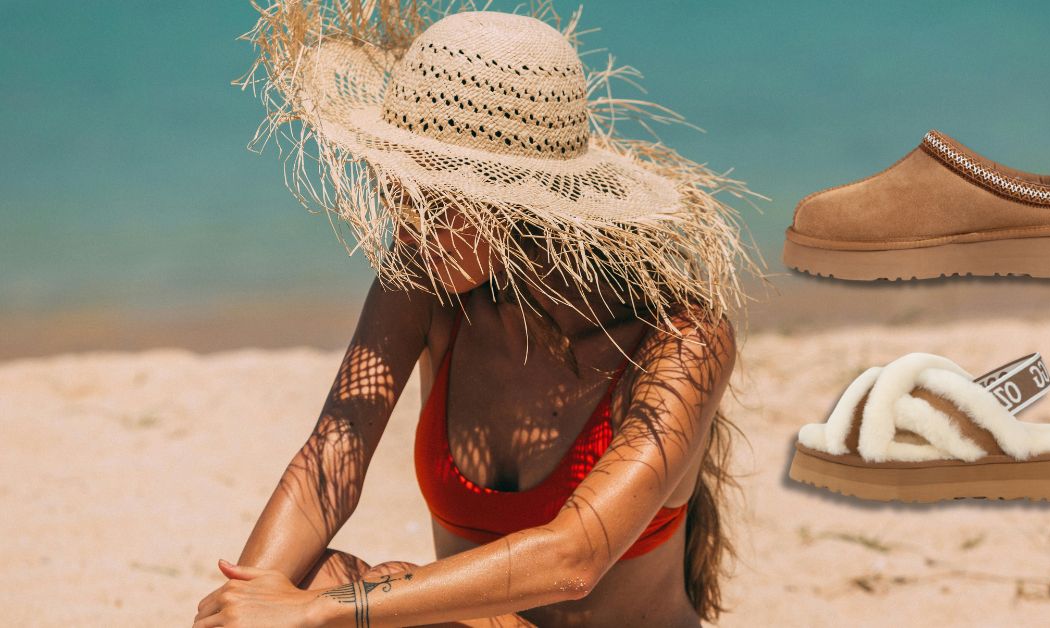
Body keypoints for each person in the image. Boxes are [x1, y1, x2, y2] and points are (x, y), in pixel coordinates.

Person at [195, 4, 764, 626]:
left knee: (347, 595)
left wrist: (319, 612)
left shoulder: (681, 341)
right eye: (397, 187)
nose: (404, 223)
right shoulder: (424, 280)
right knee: (307, 581)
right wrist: (248, 602)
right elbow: (332, 457)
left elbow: (573, 558)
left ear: (521, 202)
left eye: (433, 199)